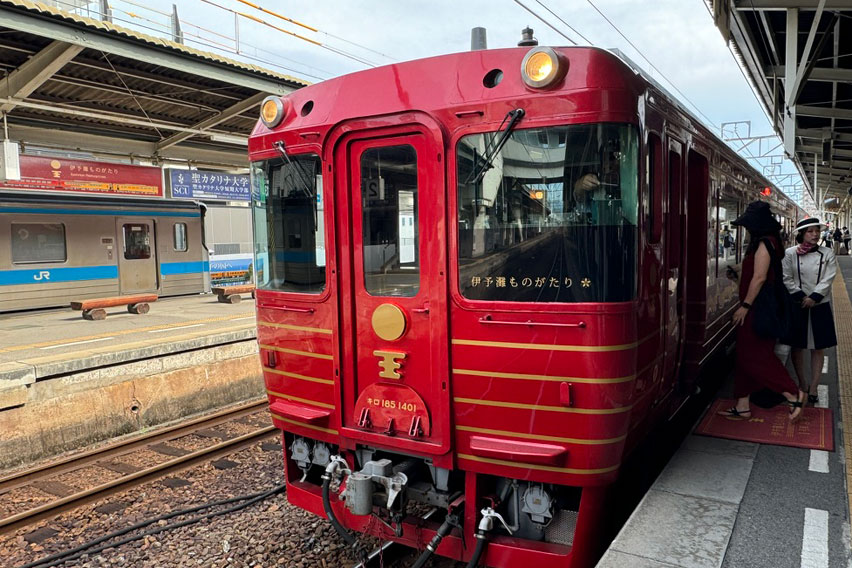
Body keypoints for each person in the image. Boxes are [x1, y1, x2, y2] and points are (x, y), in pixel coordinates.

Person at [718, 201, 806, 421]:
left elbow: (760, 277)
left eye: (749, 225)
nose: (747, 229)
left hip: (758, 310)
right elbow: (756, 270)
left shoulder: (765, 243)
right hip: (758, 307)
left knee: (755, 356)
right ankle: (742, 405)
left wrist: (745, 306)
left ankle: (793, 393)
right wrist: (738, 270)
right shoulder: (768, 242)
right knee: (745, 356)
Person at [781, 218, 838, 405]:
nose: (814, 235)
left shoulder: (827, 253)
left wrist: (814, 296)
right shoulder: (790, 253)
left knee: (818, 347)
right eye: (810, 231)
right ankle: (802, 383)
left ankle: (814, 387)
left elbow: (829, 277)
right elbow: (786, 277)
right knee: (797, 346)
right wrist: (800, 296)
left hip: (819, 303)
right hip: (798, 303)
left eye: (816, 231)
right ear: (801, 234)